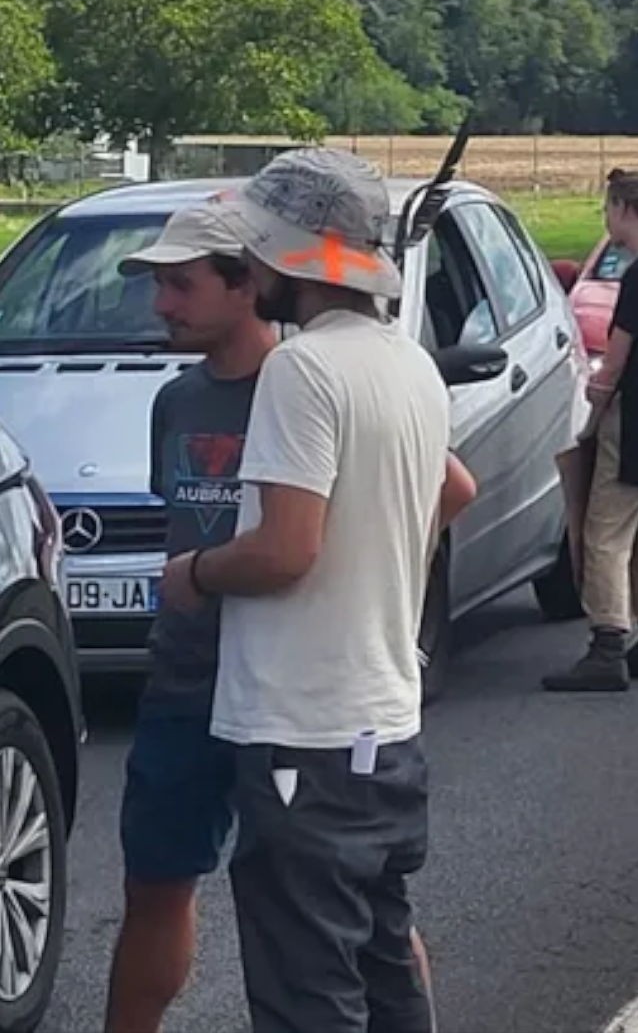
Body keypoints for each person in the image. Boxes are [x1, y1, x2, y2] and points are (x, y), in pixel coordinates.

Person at [160, 149, 475, 1033]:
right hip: (385, 724)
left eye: (255, 250)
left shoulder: (302, 372)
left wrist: (195, 573)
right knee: (383, 972)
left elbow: (286, 550)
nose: (248, 266)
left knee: (307, 994)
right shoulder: (406, 362)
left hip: (302, 734)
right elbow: (455, 493)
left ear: (286, 257)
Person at [104, 200, 277, 1033]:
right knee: (155, 886)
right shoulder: (177, 400)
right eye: (159, 286)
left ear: (246, 285)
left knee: (332, 900)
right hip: (182, 685)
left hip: (285, 694)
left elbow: (442, 493)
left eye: (181, 285)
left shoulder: (309, 390)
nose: (162, 305)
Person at [543, 169, 638, 693]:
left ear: (625, 210)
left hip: (635, 418)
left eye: (608, 208)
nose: (607, 219)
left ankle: (607, 642)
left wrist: (596, 392)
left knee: (605, 531)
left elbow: (619, 353)